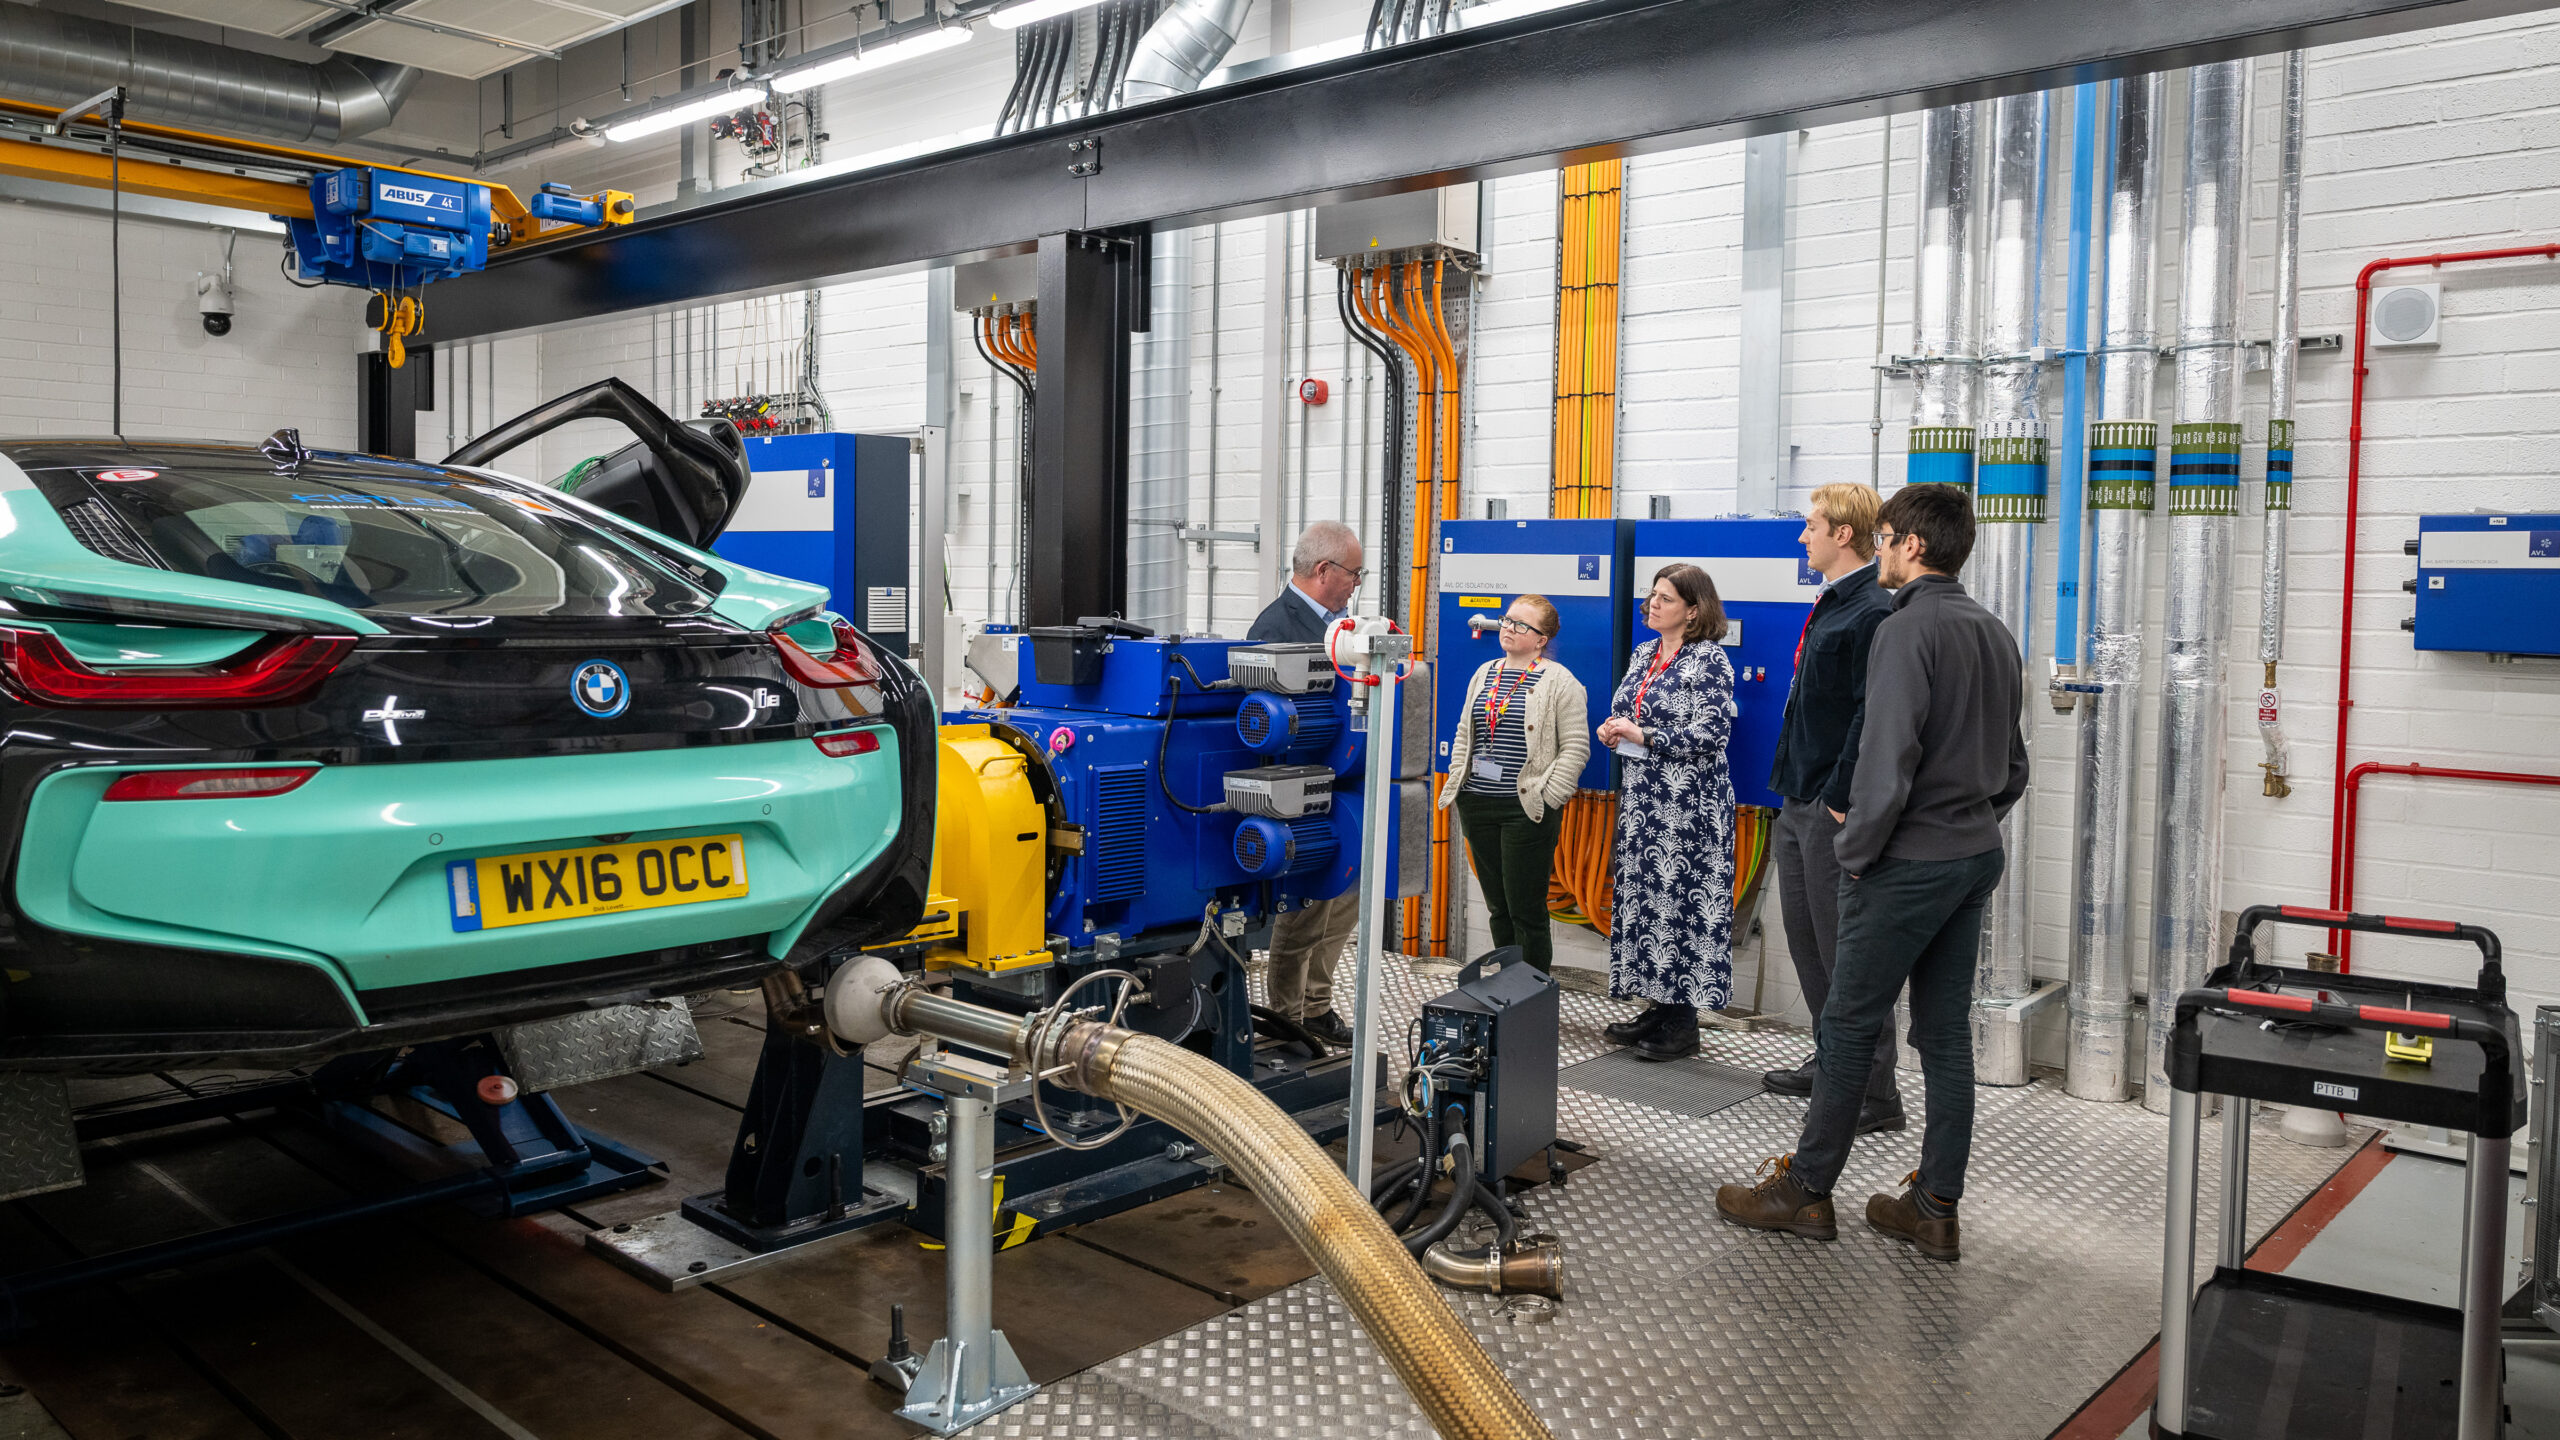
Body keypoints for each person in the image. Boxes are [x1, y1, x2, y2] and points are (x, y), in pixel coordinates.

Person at [1713, 483, 2029, 1263]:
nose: (1881, 550)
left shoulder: (1904, 627)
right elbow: (2014, 767)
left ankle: (1805, 1192)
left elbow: (1887, 759)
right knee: (1944, 1033)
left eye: (1886, 538)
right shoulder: (1992, 630)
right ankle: (1934, 1204)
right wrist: (1969, 822)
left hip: (1907, 860)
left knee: (1850, 1024)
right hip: (1972, 853)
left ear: (1912, 546)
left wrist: (1857, 854)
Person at [1761, 483, 1905, 1137]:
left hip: (1828, 805)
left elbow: (1869, 717)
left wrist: (1842, 800)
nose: (1801, 536)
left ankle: (1875, 1091)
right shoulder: (1832, 604)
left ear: (1844, 533)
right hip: (1797, 798)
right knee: (1808, 945)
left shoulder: (1872, 611)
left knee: (1845, 951)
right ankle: (1835, 1062)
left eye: (1811, 525)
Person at [1595, 564, 1737, 1063]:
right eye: (1651, 596)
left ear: (1693, 610)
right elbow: (1630, 712)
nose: (1652, 605)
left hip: (1690, 809)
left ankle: (1683, 1024)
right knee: (1646, 902)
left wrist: (1645, 736)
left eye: (1665, 598)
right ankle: (1657, 1005)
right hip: (1644, 803)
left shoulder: (1710, 661)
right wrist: (1614, 728)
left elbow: (1712, 735)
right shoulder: (1644, 653)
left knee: (1681, 905)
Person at [1248, 519, 1367, 1046]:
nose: (1356, 585)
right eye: (1354, 574)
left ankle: (1316, 1006)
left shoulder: (1344, 629)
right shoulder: (1275, 628)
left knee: (1341, 900)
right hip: (1298, 789)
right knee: (1303, 910)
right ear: (1324, 571)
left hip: (1341, 783)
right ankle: (1287, 1014)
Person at [1439, 595, 1591, 975]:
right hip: (1477, 803)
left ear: (1542, 639)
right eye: (1507, 620)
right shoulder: (1485, 672)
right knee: (1497, 905)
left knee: (1526, 908)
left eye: (1521, 625)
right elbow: (1464, 733)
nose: (1508, 628)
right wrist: (1462, 775)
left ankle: (1532, 991)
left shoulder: (1561, 682)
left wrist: (1549, 796)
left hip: (1525, 810)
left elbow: (1576, 748)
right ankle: (1506, 984)